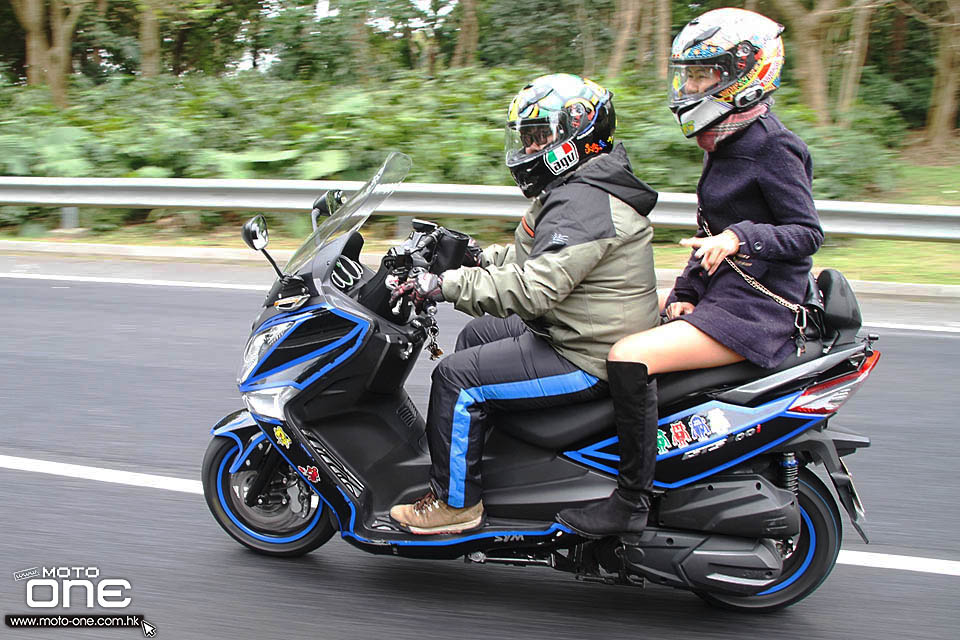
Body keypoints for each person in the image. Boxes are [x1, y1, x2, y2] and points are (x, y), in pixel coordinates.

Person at [556, 8, 824, 538]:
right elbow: (709, 232)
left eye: (703, 74)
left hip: (760, 309)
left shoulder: (773, 145)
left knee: (628, 356)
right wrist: (684, 292)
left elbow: (806, 233)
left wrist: (740, 238)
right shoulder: (726, 141)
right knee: (624, 322)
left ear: (744, 73)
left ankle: (630, 501)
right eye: (690, 74)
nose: (691, 85)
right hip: (726, 295)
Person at [389, 73, 661, 534]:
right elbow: (542, 258)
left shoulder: (583, 202)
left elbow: (535, 288)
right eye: (527, 138)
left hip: (587, 353)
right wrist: (477, 256)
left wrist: (443, 285)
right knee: (475, 335)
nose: (529, 150)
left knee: (456, 379)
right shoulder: (583, 187)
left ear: (576, 134)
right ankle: (491, 457)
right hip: (578, 326)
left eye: (538, 138)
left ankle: (457, 505)